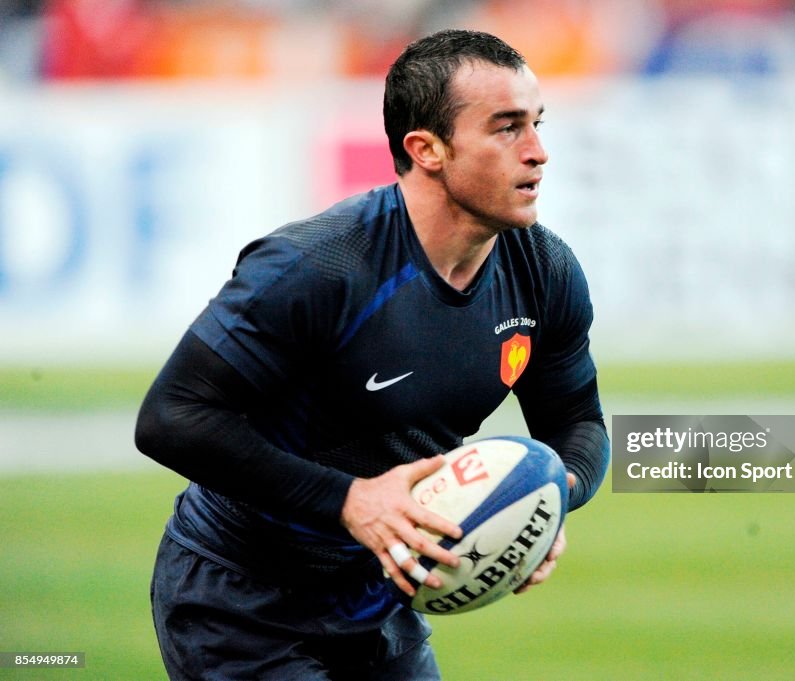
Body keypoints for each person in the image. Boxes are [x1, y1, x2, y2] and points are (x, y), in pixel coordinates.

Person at [135, 28, 610, 680]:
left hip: (379, 595)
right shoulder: (319, 267)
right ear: (427, 149)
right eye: (507, 128)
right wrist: (351, 498)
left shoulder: (543, 270)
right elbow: (171, 417)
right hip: (238, 596)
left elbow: (578, 421)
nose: (538, 152)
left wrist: (551, 492)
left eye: (537, 123)